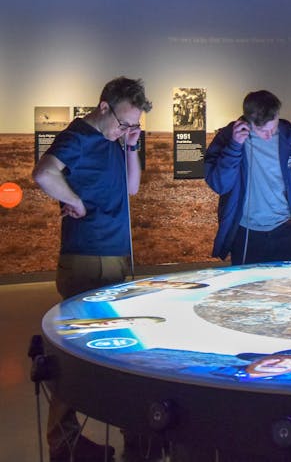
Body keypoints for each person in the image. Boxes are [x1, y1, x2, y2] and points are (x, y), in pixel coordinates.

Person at [32, 76, 151, 462]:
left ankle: (127, 431)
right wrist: (76, 203)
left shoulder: (114, 140)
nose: (127, 129)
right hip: (87, 256)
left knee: (119, 349)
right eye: (124, 122)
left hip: (114, 254)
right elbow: (43, 173)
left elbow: (132, 189)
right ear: (104, 107)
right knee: (79, 354)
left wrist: (131, 146)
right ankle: (63, 442)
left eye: (134, 125)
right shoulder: (79, 136)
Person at [205, 90, 291, 264]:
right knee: (247, 289)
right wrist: (234, 147)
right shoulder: (228, 138)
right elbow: (219, 184)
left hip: (286, 230)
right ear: (248, 121)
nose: (268, 136)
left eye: (273, 128)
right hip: (246, 234)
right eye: (262, 130)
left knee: (287, 289)